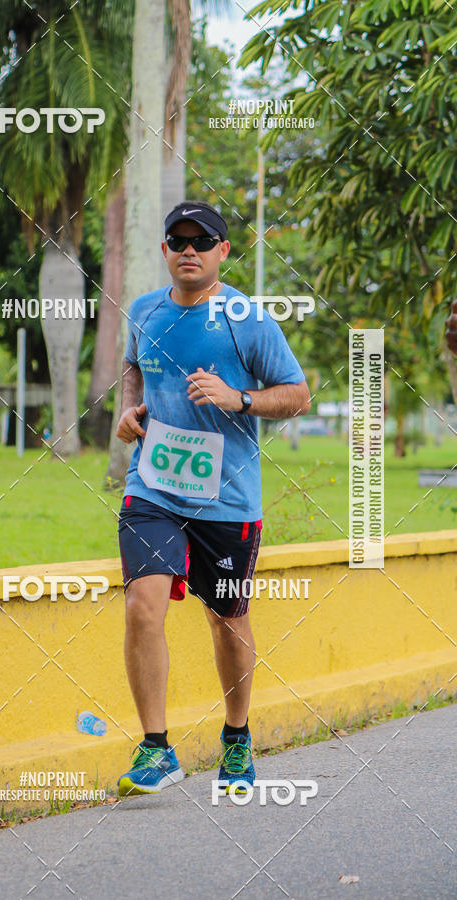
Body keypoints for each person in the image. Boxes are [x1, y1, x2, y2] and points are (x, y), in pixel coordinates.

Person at [114, 200, 311, 797]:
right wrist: (129, 410)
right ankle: (156, 748)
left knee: (227, 620)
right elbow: (133, 367)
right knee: (143, 604)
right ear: (165, 251)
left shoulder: (248, 320)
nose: (189, 250)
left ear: (223, 250)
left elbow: (298, 394)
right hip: (152, 488)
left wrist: (238, 398)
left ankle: (236, 734)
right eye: (178, 241)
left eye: (202, 241)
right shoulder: (145, 310)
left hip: (226, 500)